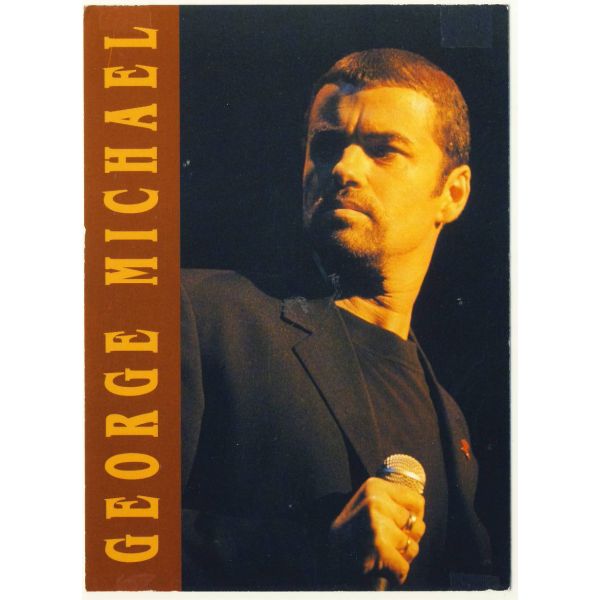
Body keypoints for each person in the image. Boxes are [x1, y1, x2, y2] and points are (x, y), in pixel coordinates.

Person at [181, 48, 494, 591]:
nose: (345, 168)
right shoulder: (199, 311)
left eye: (384, 150)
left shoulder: (453, 421)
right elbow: (100, 540)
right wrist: (305, 553)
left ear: (452, 193)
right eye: (326, 146)